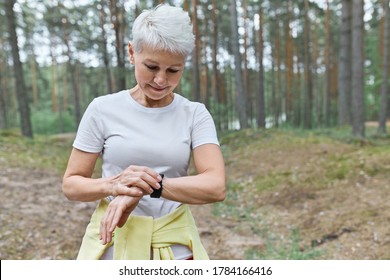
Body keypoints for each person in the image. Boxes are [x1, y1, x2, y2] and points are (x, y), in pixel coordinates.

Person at [62, 3, 226, 260]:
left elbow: (216, 186)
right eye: (151, 67)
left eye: (173, 70)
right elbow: (72, 185)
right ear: (131, 53)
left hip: (175, 249)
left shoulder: (195, 114)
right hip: (113, 245)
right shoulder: (102, 109)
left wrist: (147, 187)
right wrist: (114, 185)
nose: (161, 80)